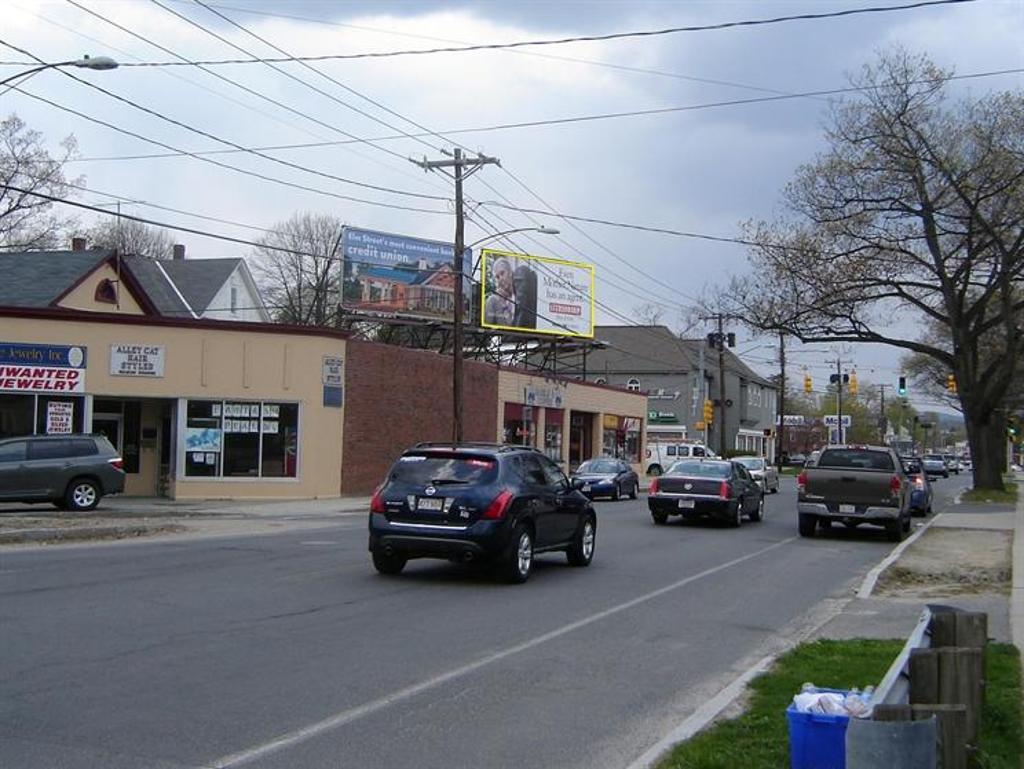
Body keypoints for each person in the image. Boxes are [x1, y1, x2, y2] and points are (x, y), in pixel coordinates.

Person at [484, 257, 515, 326]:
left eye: (502, 273)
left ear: (510, 272)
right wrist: (502, 303)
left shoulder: (518, 296)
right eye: (497, 277)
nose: (500, 279)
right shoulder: (493, 301)